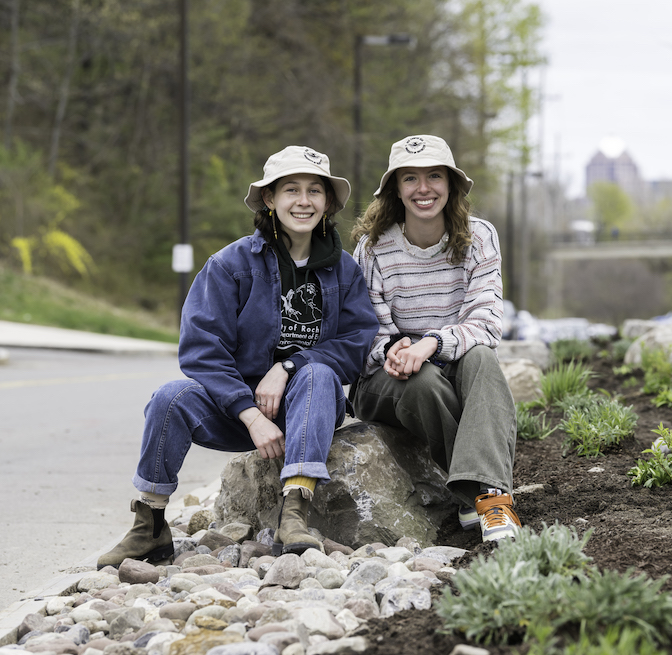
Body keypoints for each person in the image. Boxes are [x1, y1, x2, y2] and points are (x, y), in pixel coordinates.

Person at [99, 146, 379, 567]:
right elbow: (201, 348)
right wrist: (249, 413)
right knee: (169, 398)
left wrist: (287, 367)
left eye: (314, 191)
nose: (303, 201)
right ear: (269, 200)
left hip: (309, 408)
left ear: (328, 202)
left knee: (318, 372)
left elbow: (358, 341)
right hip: (238, 412)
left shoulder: (343, 270)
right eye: (291, 190)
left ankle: (295, 514)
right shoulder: (230, 264)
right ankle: (150, 526)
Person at [350, 134, 520, 542]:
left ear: (452, 184)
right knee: (421, 380)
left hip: (451, 362)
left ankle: (488, 501)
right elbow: (361, 333)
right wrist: (393, 350)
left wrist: (430, 343)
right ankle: (480, 491)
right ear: (395, 189)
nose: (423, 188)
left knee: (482, 358)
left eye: (434, 176)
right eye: (410, 178)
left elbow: (487, 321)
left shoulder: (479, 237)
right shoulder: (372, 250)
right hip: (385, 381)